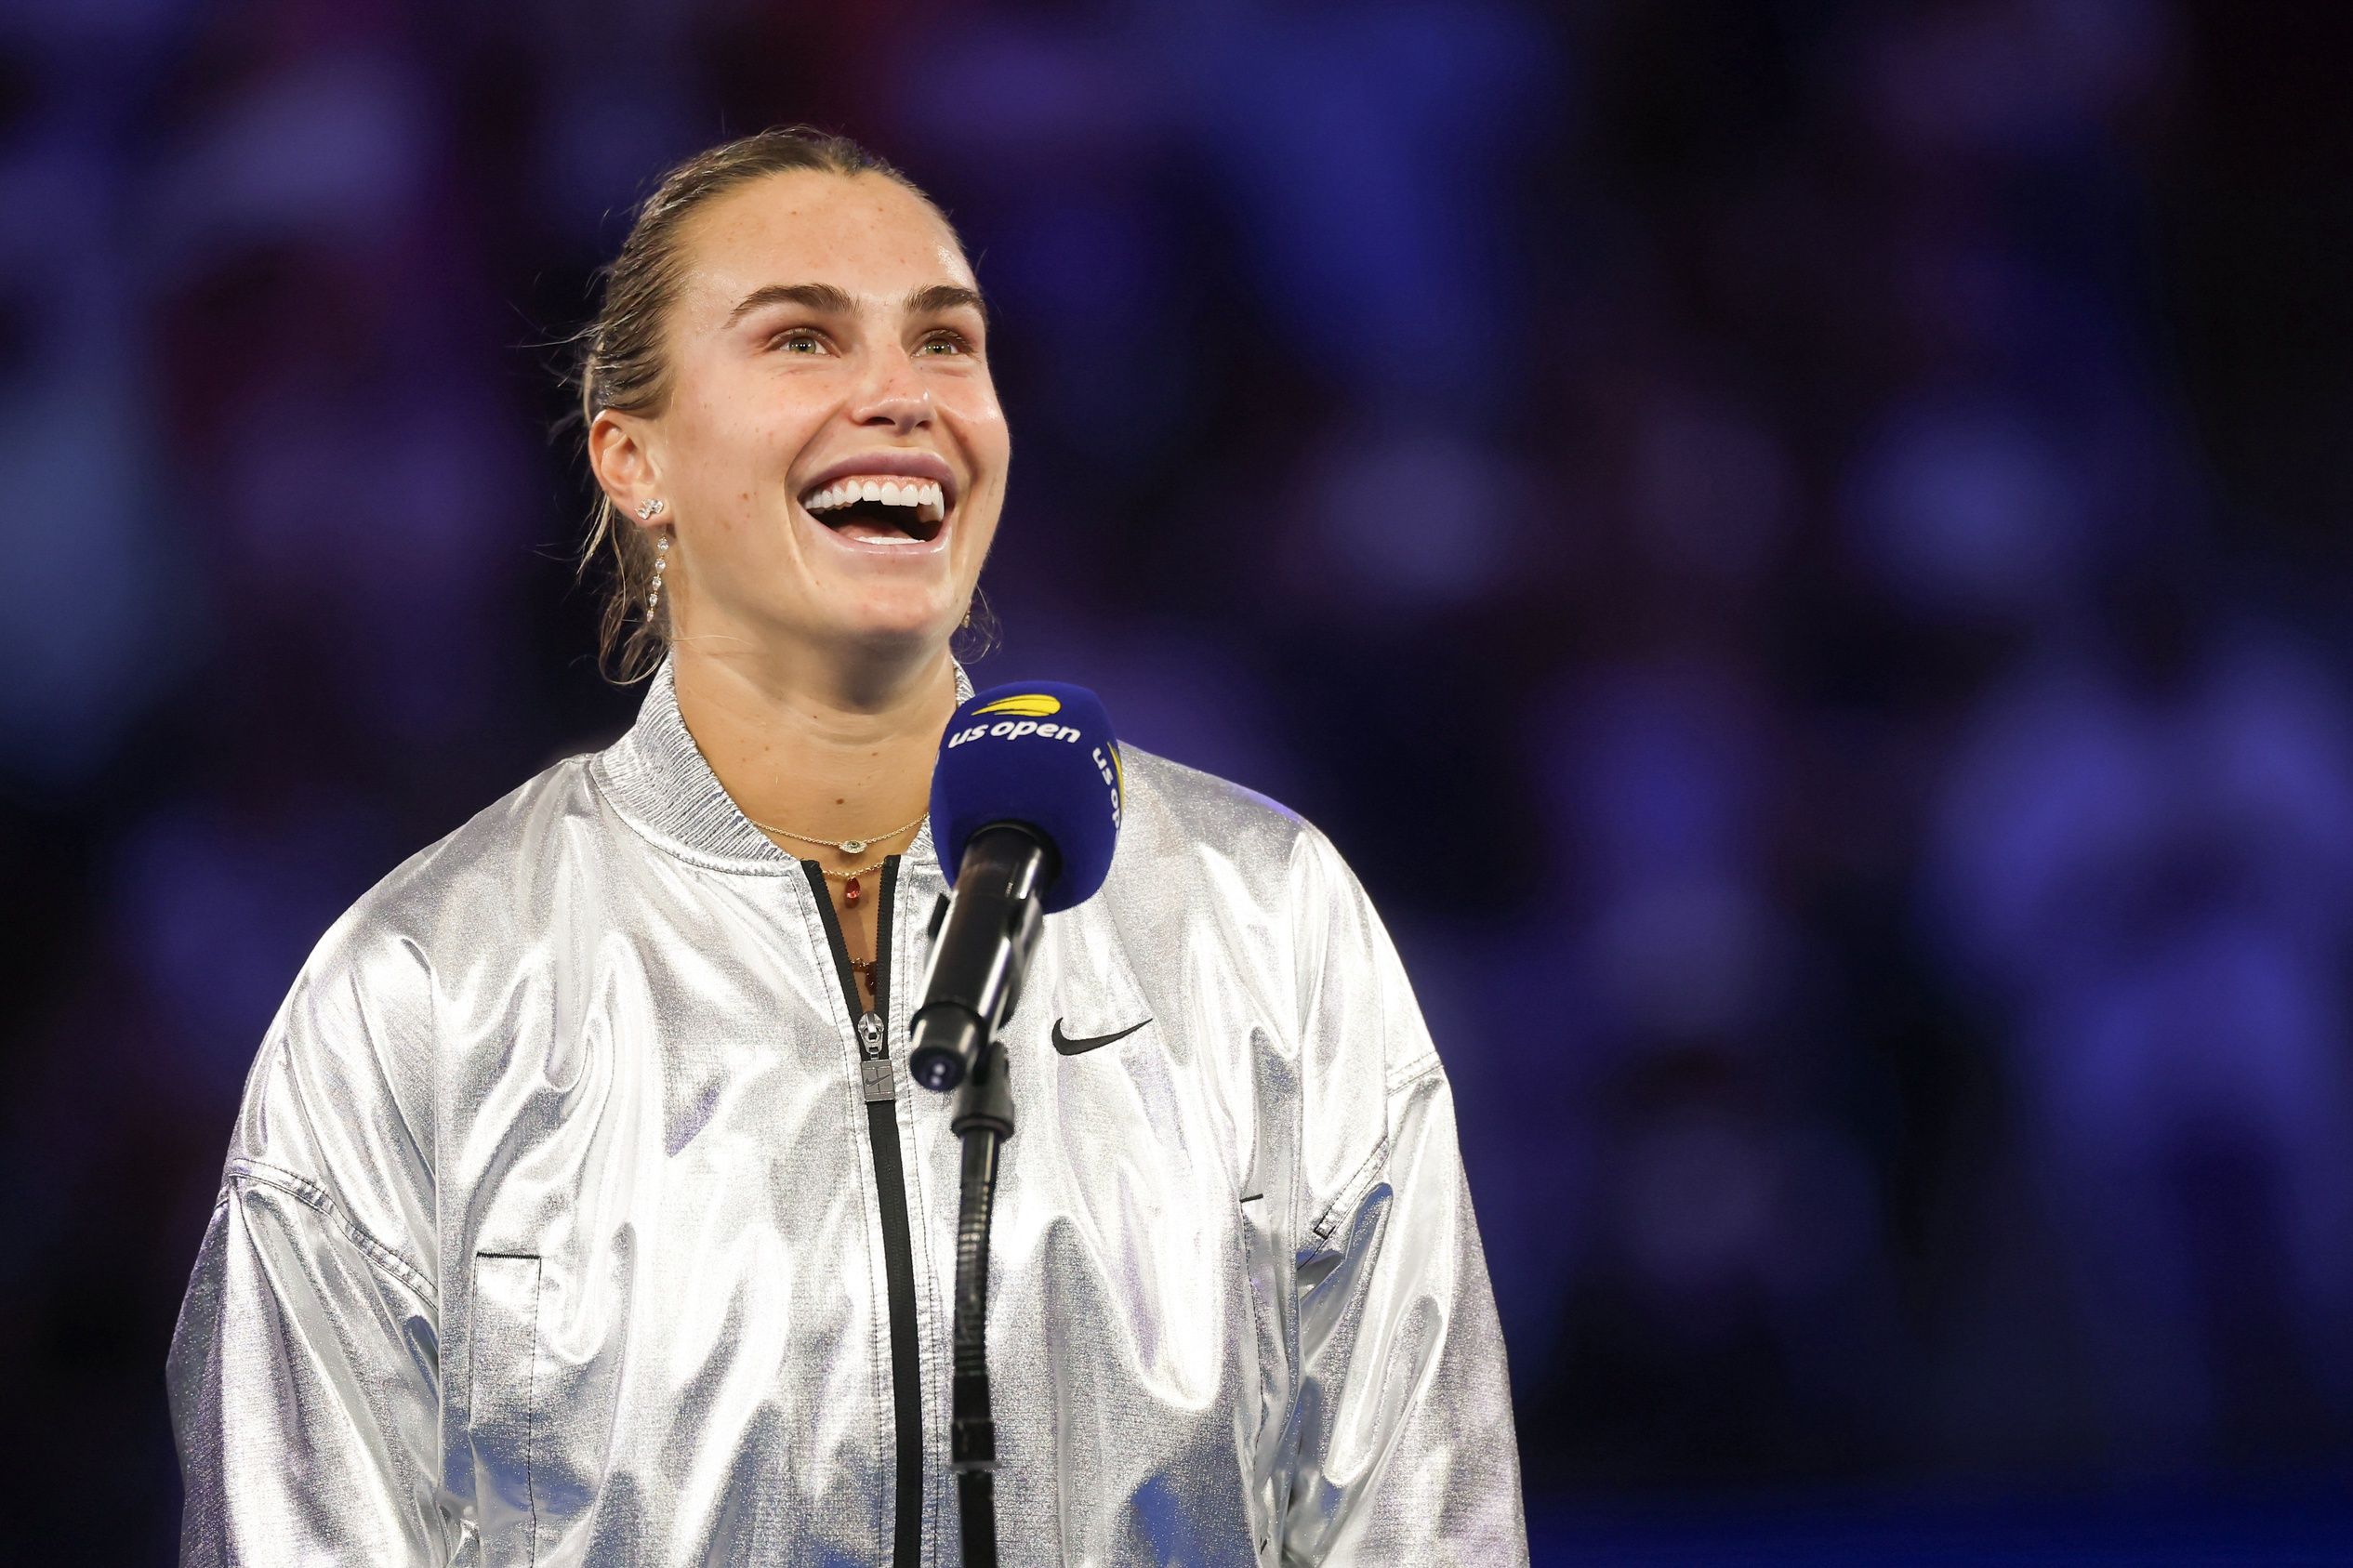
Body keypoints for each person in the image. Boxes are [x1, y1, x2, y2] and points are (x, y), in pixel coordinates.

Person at [166, 125, 1528, 1566]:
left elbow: (1423, 1522)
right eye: (803, 340)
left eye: (948, 345)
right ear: (635, 458)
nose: (902, 395)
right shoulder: (424, 991)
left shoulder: (1264, 923)